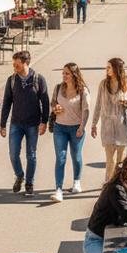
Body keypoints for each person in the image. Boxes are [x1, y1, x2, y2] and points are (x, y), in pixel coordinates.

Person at [0, 50, 50, 197]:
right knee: (13, 154)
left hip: (33, 124)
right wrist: (3, 124)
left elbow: (45, 102)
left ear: (26, 63)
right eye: (14, 64)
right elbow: (7, 103)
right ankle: (19, 175)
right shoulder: (12, 80)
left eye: (17, 64)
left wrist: (44, 122)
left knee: (31, 155)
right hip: (16, 123)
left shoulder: (38, 79)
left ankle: (29, 183)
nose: (14, 66)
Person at [49, 62, 91, 202]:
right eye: (63, 73)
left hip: (76, 128)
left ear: (74, 74)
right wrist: (56, 108)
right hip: (60, 127)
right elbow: (53, 103)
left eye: (67, 73)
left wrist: (82, 127)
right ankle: (58, 189)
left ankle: (76, 181)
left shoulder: (83, 91)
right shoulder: (59, 88)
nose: (64, 76)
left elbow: (86, 110)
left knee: (76, 156)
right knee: (60, 158)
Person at [91, 57, 127, 181]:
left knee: (121, 161)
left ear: (116, 69)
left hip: (122, 126)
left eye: (109, 67)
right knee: (110, 160)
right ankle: (108, 184)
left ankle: (119, 184)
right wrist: (94, 124)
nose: (106, 69)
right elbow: (98, 105)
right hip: (107, 127)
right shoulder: (103, 84)